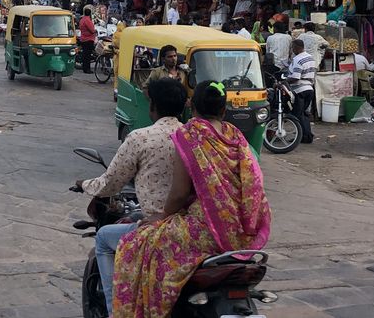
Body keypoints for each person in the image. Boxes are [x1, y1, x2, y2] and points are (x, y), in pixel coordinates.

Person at [112, 81, 271, 318]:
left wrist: (160, 217)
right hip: (243, 231)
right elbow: (253, 182)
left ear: (192, 107)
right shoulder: (235, 135)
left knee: (133, 244)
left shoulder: (189, 135)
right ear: (224, 110)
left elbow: (178, 193)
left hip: (205, 231)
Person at [77, 78, 186, 316]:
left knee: (104, 238)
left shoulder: (141, 138)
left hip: (158, 226)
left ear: (152, 106)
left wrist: (83, 184)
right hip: (192, 225)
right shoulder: (193, 137)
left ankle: (114, 308)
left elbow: (111, 182)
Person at [288, 39, 316, 144]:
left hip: (300, 90)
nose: (292, 50)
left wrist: (284, 81)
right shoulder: (310, 58)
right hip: (309, 89)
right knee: (304, 113)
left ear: (296, 47)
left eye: (293, 48)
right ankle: (306, 135)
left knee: (297, 114)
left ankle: (302, 136)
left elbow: (295, 77)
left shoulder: (298, 59)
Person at [78, 6, 97, 74]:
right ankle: (87, 69)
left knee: (85, 55)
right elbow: (92, 30)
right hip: (88, 39)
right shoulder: (87, 20)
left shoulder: (82, 19)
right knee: (87, 55)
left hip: (83, 38)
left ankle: (85, 68)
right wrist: (95, 31)